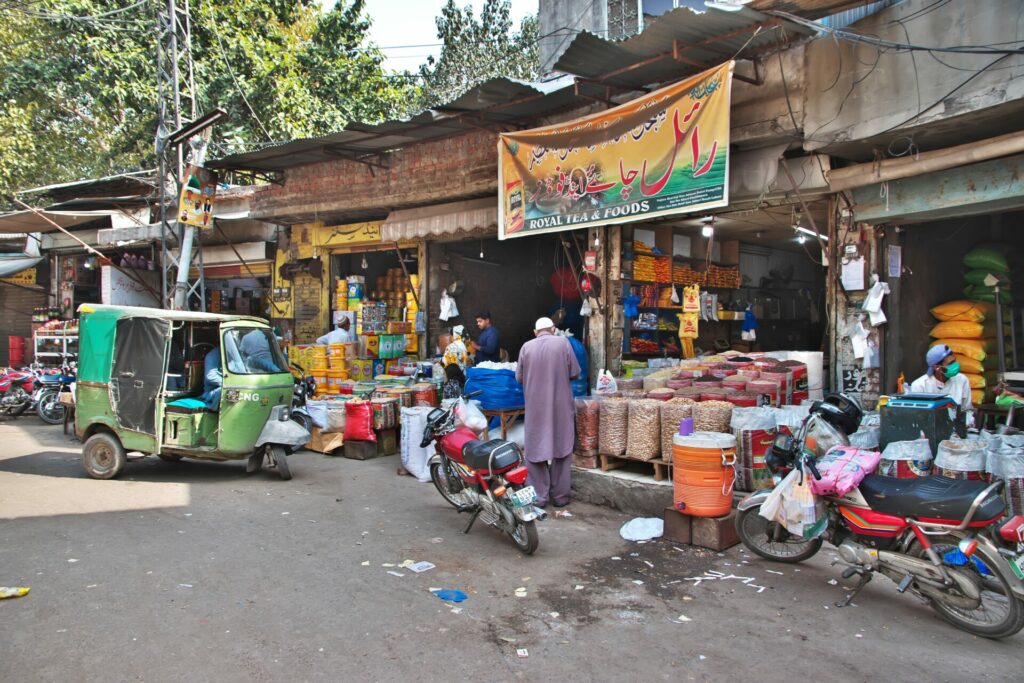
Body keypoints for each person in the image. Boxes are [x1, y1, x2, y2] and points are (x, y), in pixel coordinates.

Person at [516, 317, 581, 508]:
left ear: (535, 332)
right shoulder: (563, 343)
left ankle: (540, 497)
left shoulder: (526, 347)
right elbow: (575, 372)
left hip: (535, 407)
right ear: (553, 329)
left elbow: (519, 377)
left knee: (535, 450)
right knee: (562, 448)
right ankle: (560, 497)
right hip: (561, 406)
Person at [909, 344, 974, 427]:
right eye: (951, 363)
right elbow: (917, 417)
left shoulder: (962, 380)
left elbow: (967, 410)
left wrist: (966, 422)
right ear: (937, 368)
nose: (956, 365)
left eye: (955, 361)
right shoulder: (919, 386)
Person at [200, 346, 223, 411]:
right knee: (225, 391)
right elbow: (210, 376)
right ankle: (212, 410)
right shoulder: (213, 355)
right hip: (211, 393)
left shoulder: (233, 353)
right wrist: (228, 384)